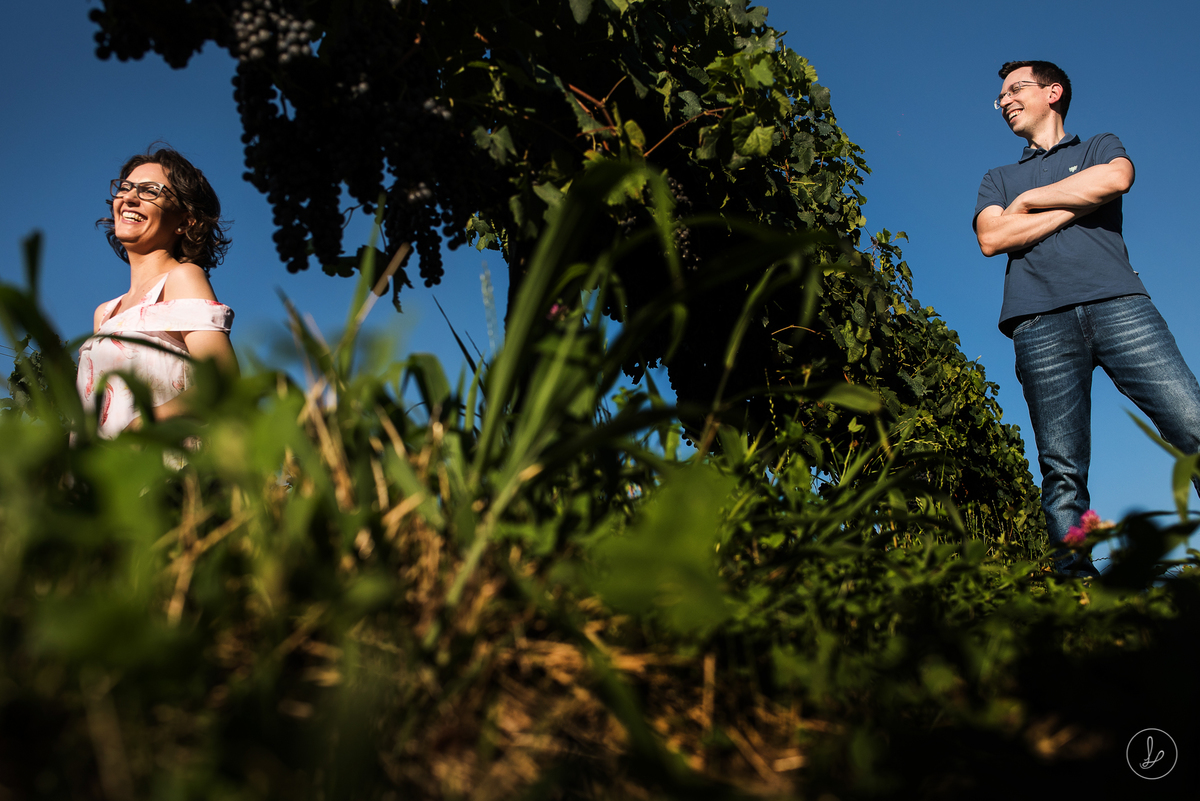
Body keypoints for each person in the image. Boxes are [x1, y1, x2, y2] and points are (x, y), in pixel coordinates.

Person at [973, 60, 1200, 575]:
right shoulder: (996, 178)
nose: (1004, 101)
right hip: (1038, 323)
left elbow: (1118, 178)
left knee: (1192, 421)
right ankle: (1076, 593)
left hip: (1120, 304)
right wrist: (1080, 201)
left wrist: (1029, 203)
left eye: (1015, 90)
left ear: (1052, 92)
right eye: (1000, 97)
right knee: (1062, 470)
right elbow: (992, 238)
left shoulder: (1099, 147)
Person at [78, 146, 238, 439]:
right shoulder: (104, 313)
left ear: (185, 221)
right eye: (125, 188)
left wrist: (145, 426)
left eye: (150, 191)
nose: (128, 197)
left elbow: (222, 380)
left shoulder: (182, 279)